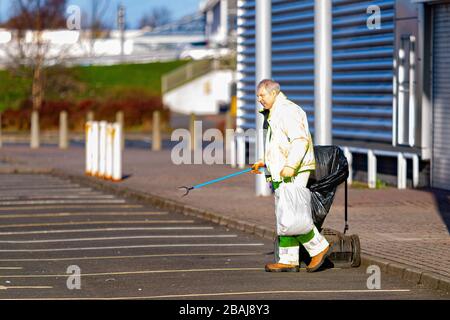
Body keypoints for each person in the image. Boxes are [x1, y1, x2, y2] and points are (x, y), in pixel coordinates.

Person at [252, 79, 331, 273]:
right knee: (285, 214)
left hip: (293, 170)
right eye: (258, 96)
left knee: (292, 214)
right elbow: (278, 145)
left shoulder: (288, 111)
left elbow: (300, 141)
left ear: (273, 93)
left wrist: (290, 166)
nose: (259, 99)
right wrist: (264, 161)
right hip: (283, 169)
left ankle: (319, 247)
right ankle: (288, 259)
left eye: (262, 95)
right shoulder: (275, 113)